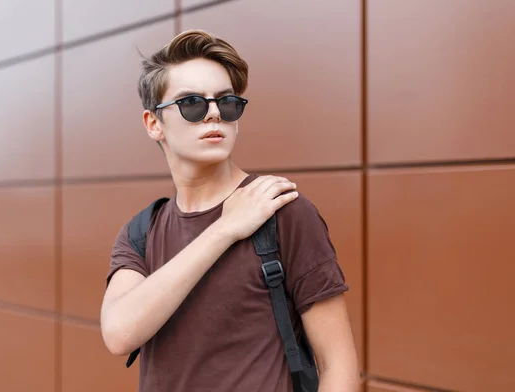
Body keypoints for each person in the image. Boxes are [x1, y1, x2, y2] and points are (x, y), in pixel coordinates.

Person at [100, 29, 360, 392]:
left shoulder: (283, 211)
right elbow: (119, 334)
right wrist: (223, 230)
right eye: (191, 103)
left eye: (226, 102)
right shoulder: (142, 231)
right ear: (154, 123)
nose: (212, 114)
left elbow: (338, 365)